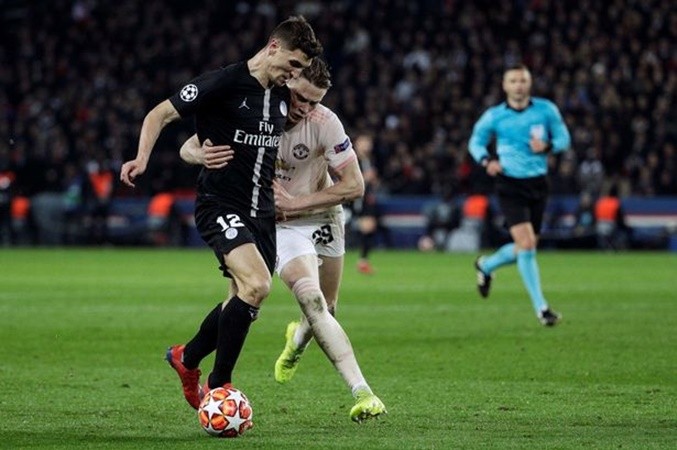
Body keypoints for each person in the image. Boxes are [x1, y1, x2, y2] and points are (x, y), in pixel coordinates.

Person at [119, 16, 323, 413]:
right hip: (221, 205)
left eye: (300, 69)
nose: (294, 74)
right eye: (293, 64)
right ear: (273, 47)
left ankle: (187, 358)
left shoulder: (284, 96)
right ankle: (220, 386)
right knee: (258, 285)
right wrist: (146, 158)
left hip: (262, 213)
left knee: (242, 301)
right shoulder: (223, 83)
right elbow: (159, 115)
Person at [180, 58, 386, 423]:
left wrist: (296, 203)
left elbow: (355, 186)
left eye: (314, 101)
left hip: (321, 214)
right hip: (277, 222)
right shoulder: (254, 108)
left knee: (327, 308)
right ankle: (363, 393)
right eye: (300, 98)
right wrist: (200, 154)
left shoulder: (325, 123)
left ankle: (294, 342)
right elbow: (189, 147)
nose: (304, 108)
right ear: (286, 81)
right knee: (308, 299)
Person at [468, 64, 571, 326]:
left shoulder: (545, 110)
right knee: (526, 244)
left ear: (529, 83)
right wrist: (486, 160)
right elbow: (475, 141)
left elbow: (564, 139)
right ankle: (542, 309)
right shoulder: (495, 116)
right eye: (513, 81)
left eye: (523, 80)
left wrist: (548, 146)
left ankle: (486, 266)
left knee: (526, 245)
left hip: (538, 183)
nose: (518, 85)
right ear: (505, 86)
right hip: (509, 183)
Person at [352, 134, 380, 274]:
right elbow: (348, 180)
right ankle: (362, 261)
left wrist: (374, 181)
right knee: (365, 227)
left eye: (368, 143)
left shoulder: (369, 160)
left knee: (369, 227)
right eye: (364, 142)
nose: (367, 145)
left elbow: (372, 182)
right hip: (354, 200)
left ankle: (363, 261)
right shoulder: (352, 160)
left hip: (367, 200)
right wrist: (365, 178)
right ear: (357, 144)